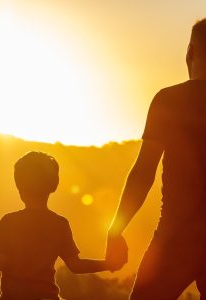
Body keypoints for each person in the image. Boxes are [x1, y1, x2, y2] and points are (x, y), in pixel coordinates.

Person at [105, 19, 206, 300]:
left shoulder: (169, 100)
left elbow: (143, 172)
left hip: (175, 239)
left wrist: (115, 230)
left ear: (190, 52)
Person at [0, 151, 115, 300]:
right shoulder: (60, 224)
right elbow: (76, 265)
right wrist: (108, 264)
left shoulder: (9, 221)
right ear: (52, 185)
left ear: (20, 187)